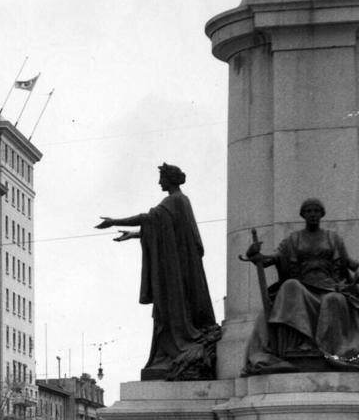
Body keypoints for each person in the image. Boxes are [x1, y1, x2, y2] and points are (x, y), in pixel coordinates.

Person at [96, 163, 219, 380]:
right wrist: (135, 235)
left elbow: (148, 219)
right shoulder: (180, 201)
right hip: (179, 269)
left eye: (161, 178)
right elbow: (158, 227)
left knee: (171, 310)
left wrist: (114, 221)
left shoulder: (174, 201)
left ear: (170, 179)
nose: (158, 182)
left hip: (175, 273)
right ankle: (169, 351)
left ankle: (174, 350)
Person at [244, 198, 359, 371]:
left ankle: (332, 350)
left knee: (334, 300)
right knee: (290, 286)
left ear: (322, 214)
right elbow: (272, 258)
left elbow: (350, 263)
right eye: (309, 211)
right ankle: (303, 342)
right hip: (304, 287)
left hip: (330, 287)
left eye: (316, 211)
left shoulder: (333, 239)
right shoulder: (293, 239)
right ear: (303, 215)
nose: (313, 214)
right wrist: (255, 255)